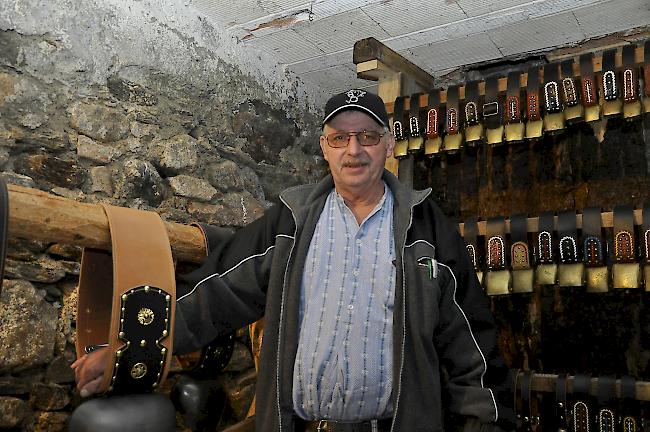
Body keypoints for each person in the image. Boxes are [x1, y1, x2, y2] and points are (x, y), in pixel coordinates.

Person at [73, 89, 515, 432]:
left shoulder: (426, 227)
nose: (354, 150)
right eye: (340, 138)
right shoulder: (292, 219)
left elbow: (472, 346)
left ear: (389, 145)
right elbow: (217, 291)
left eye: (368, 136)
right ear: (325, 148)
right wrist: (132, 348)